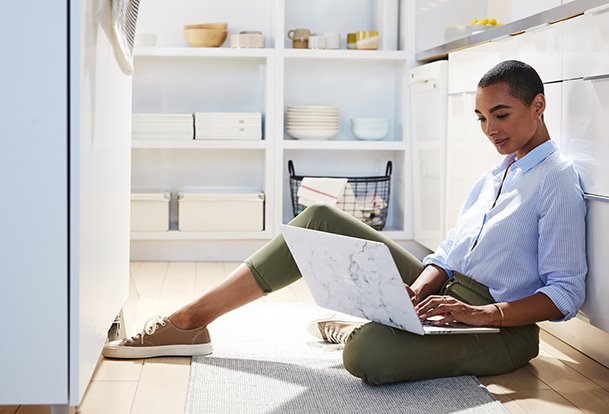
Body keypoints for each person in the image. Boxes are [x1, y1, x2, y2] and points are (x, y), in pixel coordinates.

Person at [103, 60, 587, 386]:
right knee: (316, 218)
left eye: (499, 115)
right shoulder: (494, 174)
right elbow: (448, 252)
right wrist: (420, 285)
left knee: (366, 357)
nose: (489, 130)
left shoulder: (556, 180)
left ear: (538, 105)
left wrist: (484, 314)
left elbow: (566, 293)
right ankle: (189, 321)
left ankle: (364, 326)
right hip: (448, 292)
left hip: (502, 329)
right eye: (481, 118)